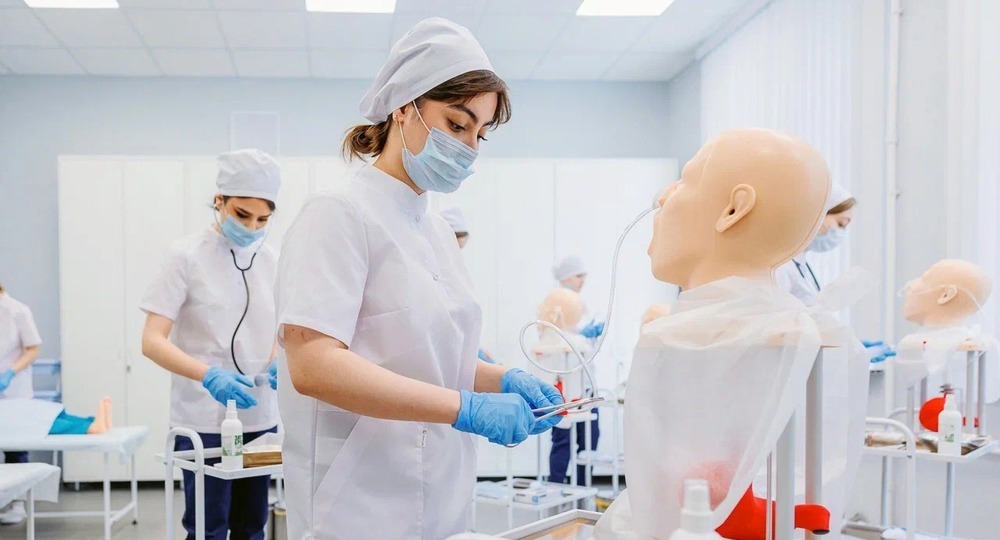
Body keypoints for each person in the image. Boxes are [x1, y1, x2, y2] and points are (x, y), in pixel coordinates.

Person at [274, 18, 563, 539]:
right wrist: (464, 407)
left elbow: (429, 355)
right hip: (357, 504)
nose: (470, 147)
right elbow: (313, 365)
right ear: (404, 107)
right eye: (457, 124)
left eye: (480, 133)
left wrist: (500, 380)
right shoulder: (338, 213)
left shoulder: (435, 231)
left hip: (441, 496)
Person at [140, 149, 281, 540]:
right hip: (201, 417)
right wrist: (208, 376)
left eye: (263, 219)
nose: (252, 227)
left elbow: (280, 329)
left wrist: (278, 361)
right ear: (219, 201)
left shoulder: (273, 259)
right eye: (242, 214)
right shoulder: (185, 256)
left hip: (259, 416)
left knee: (253, 526)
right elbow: (151, 341)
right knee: (208, 527)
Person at [548, 256, 603, 485]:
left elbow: (587, 347)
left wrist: (590, 336)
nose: (583, 281)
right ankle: (556, 487)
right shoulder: (554, 304)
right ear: (567, 277)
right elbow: (552, 340)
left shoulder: (580, 305)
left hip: (586, 385)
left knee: (590, 438)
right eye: (579, 276)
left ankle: (583, 489)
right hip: (566, 387)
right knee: (563, 440)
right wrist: (580, 335)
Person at [0, 282, 42, 525]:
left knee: (16, 448)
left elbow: (33, 349)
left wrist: (10, 373)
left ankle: (17, 503)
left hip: (14, 389)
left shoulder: (18, 310)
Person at [775, 183, 856, 306]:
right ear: (818, 215)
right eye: (841, 224)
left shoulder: (801, 263)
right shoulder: (781, 266)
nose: (841, 232)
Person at [440, 206, 496, 364]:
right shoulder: (429, 266)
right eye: (453, 246)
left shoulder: (456, 269)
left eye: (460, 248)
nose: (455, 252)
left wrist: (476, 349)